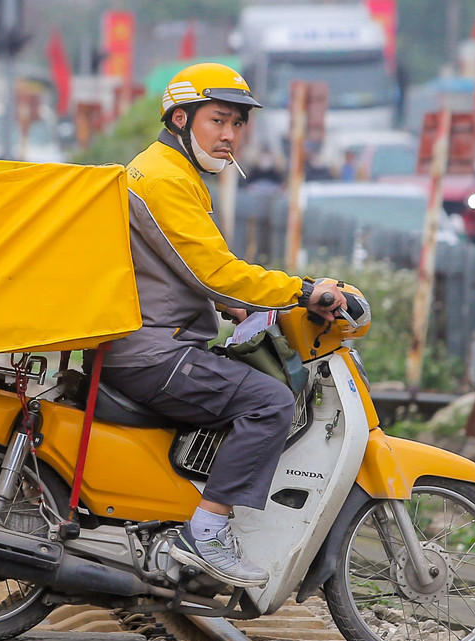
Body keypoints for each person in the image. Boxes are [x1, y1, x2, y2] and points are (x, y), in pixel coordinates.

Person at [100, 62, 346, 589]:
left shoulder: (172, 171)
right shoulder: (165, 178)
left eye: (238, 123)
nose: (230, 135)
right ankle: (207, 532)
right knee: (270, 402)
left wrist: (237, 307)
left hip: (145, 341)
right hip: (153, 352)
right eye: (218, 120)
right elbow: (213, 272)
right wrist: (304, 291)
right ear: (181, 118)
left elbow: (174, 268)